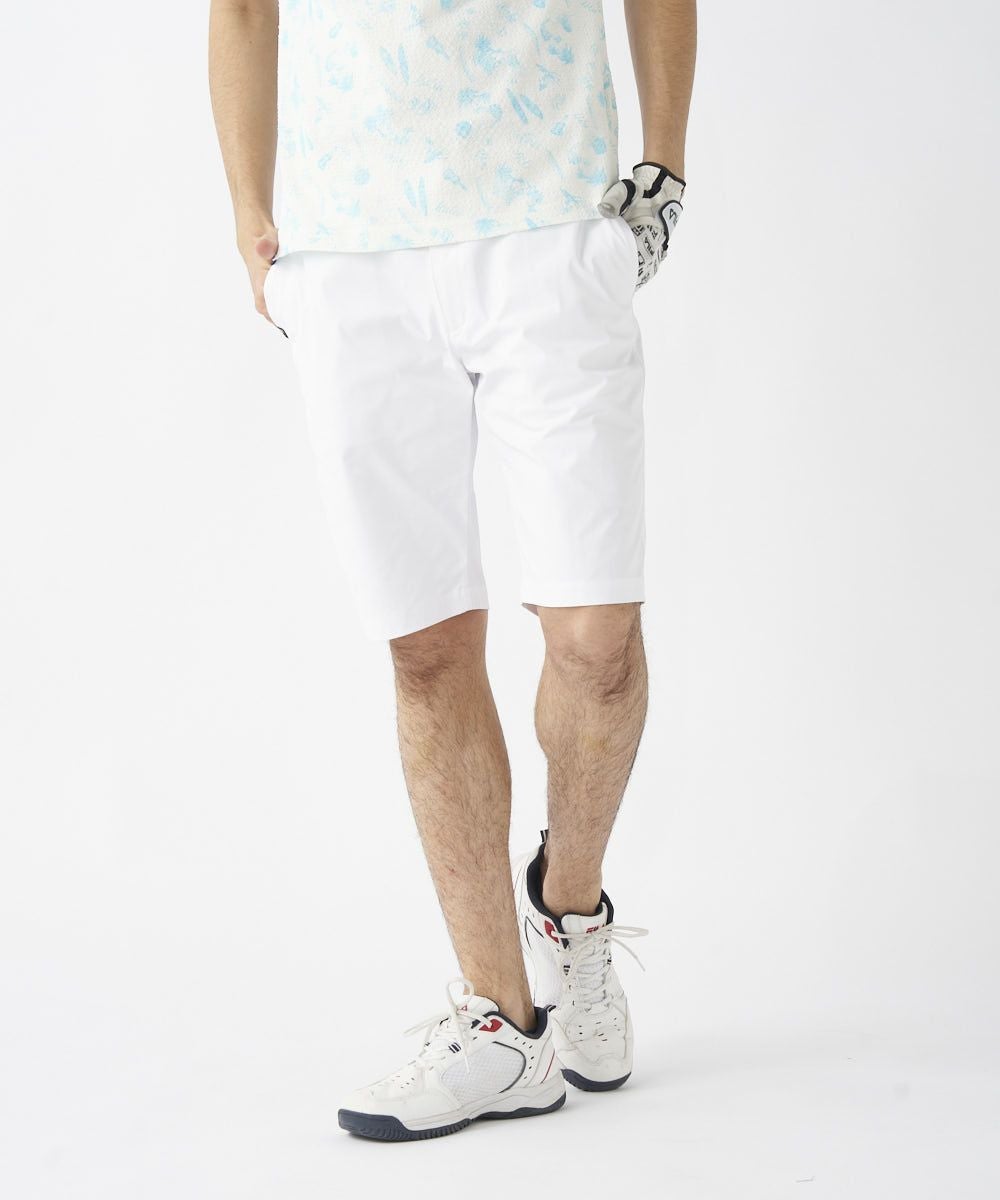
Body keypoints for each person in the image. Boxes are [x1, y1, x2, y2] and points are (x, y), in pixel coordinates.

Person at [209, 0, 696, 1142]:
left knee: (595, 642)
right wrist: (250, 214)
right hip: (350, 252)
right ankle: (502, 1026)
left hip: (549, 231)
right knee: (427, 647)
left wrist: (663, 169)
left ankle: (568, 906)